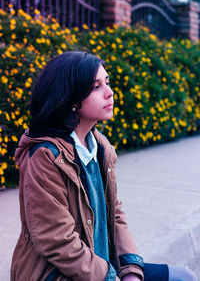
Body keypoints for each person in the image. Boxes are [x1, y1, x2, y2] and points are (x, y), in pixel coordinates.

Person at [11, 51, 197, 281]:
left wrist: (130, 270)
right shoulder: (45, 156)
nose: (110, 93)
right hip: (58, 273)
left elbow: (115, 214)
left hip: (102, 266)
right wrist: (110, 277)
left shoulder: (100, 146)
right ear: (71, 98)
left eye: (107, 83)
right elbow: (57, 241)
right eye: (96, 87)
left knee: (184, 277)